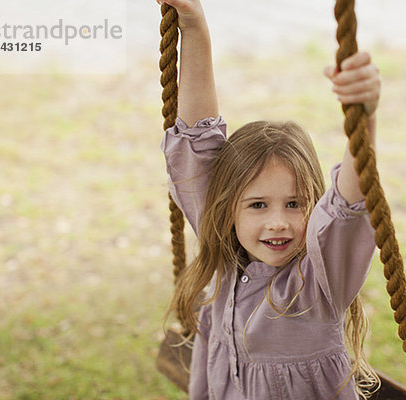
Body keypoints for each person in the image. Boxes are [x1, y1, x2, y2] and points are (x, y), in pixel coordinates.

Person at [157, 0, 382, 398]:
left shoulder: (319, 283)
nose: (277, 221)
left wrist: (364, 116)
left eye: (294, 204)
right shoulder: (226, 253)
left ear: (315, 207)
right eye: (258, 204)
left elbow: (349, 208)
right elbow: (196, 142)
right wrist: (193, 25)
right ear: (228, 208)